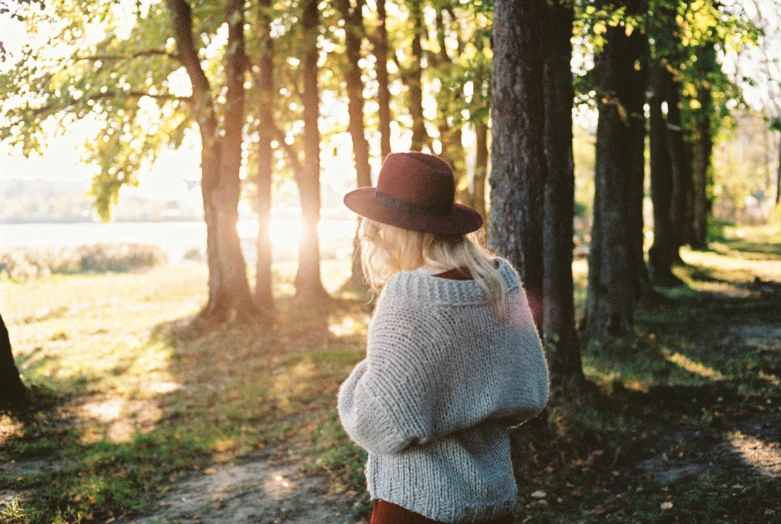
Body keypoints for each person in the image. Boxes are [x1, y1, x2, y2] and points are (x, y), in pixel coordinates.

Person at [337, 151, 550, 524]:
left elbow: (375, 422)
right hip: (493, 499)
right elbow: (530, 390)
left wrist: (364, 375)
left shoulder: (409, 294)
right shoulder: (501, 283)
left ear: (395, 228)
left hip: (417, 505)